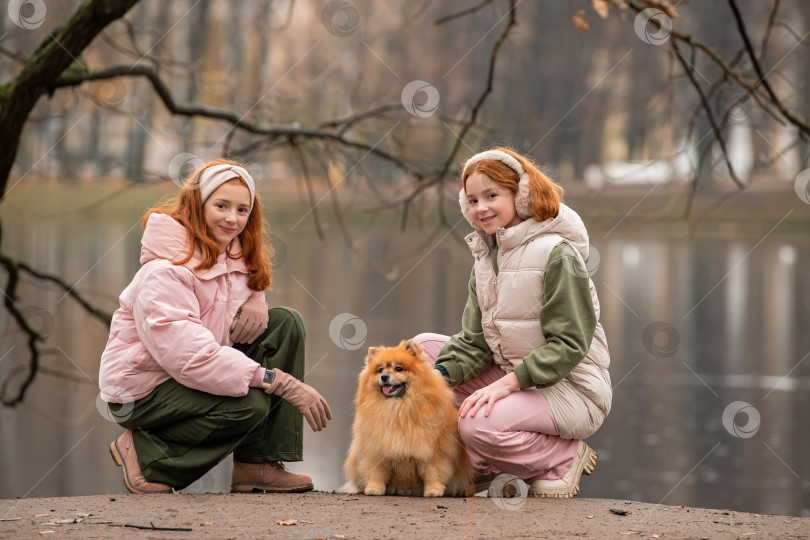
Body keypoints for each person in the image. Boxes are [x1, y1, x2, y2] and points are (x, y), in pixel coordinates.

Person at [98, 159, 331, 494]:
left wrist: (257, 298)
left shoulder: (233, 256)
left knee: (286, 322)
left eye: (242, 209)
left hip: (188, 376)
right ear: (198, 204)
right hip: (143, 390)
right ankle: (146, 457)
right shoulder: (165, 271)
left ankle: (259, 464)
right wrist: (276, 381)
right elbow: (190, 358)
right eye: (221, 205)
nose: (232, 218)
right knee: (248, 404)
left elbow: (238, 285)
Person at [413, 147, 611, 498]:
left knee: (476, 424)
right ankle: (487, 467)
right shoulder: (486, 256)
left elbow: (570, 345)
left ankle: (563, 457)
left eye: (492, 195)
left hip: (572, 389)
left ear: (519, 195)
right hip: (516, 376)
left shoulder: (557, 254)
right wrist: (435, 379)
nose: (481, 207)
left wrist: (507, 385)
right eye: (472, 200)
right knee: (420, 356)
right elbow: (475, 341)